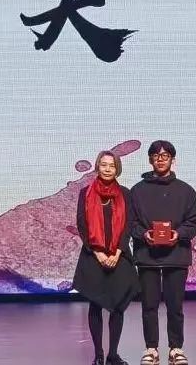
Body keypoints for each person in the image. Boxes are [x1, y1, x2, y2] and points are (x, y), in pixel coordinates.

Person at [129, 141, 196, 365]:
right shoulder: (137, 191)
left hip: (176, 255)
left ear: (173, 160)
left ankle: (175, 348)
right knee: (149, 305)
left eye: (165, 156)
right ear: (150, 160)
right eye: (156, 156)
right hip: (147, 255)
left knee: (175, 306)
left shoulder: (186, 191)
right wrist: (144, 234)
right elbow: (129, 222)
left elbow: (194, 221)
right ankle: (151, 349)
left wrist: (178, 234)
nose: (160, 159)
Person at [73, 151, 140, 365]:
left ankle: (113, 354)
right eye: (104, 165)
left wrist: (117, 252)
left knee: (118, 305)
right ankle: (99, 355)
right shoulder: (85, 193)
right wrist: (98, 252)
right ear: (97, 167)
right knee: (96, 304)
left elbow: (128, 225)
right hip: (93, 256)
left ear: (117, 168)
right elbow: (82, 225)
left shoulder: (125, 194)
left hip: (119, 256)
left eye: (112, 165)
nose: (108, 169)